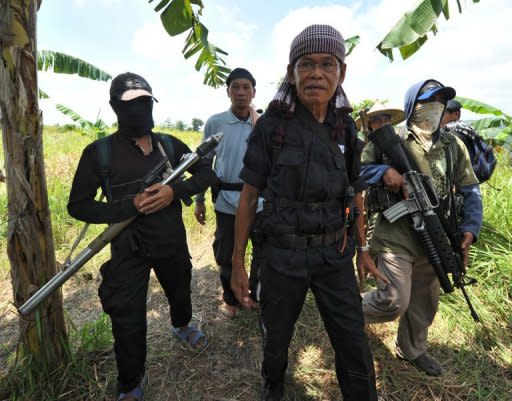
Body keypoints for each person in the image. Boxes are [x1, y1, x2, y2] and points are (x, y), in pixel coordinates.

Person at [231, 24, 386, 401]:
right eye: (307, 64)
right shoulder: (272, 127)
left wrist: (363, 250)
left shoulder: (345, 128)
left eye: (327, 64)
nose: (317, 73)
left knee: (352, 340)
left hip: (335, 254)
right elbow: (249, 197)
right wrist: (237, 262)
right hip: (282, 255)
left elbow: (357, 192)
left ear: (341, 73)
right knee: (277, 334)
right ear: (292, 72)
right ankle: (273, 383)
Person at [67, 72, 217, 401]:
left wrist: (173, 191)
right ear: (115, 107)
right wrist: (128, 206)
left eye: (146, 102)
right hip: (127, 250)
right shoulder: (99, 153)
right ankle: (131, 382)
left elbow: (206, 173)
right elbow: (78, 206)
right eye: (132, 104)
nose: (141, 110)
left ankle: (181, 326)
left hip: (170, 242)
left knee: (180, 291)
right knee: (128, 319)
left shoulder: (169, 144)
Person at [360, 79, 483, 377]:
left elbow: (470, 190)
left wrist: (470, 228)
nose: (435, 108)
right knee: (394, 300)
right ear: (412, 105)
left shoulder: (454, 146)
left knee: (425, 303)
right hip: (396, 234)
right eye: (428, 101)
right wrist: (383, 171)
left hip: (434, 231)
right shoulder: (392, 139)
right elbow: (357, 171)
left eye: (441, 102)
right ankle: (344, 308)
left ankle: (411, 350)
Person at [194, 67, 263, 318]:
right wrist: (199, 200)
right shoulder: (216, 122)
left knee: (260, 251)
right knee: (226, 253)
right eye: (236, 87)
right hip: (225, 200)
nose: (241, 92)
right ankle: (230, 298)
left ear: (254, 92)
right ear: (228, 92)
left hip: (258, 202)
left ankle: (252, 294)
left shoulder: (262, 124)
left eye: (246, 87)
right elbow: (204, 162)